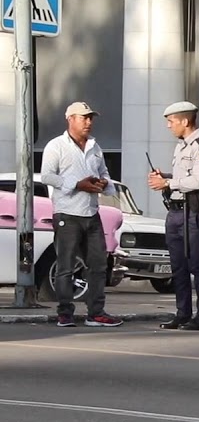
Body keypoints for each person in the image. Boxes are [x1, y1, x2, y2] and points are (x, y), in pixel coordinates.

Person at [38, 101, 123, 328]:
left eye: (90, 118)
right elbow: (47, 175)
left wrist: (104, 184)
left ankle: (96, 312)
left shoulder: (95, 146)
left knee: (98, 264)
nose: (88, 122)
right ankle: (65, 312)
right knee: (66, 265)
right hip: (67, 213)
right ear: (70, 119)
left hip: (92, 213)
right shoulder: (56, 145)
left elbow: (103, 171)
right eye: (83, 117)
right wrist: (77, 184)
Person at [148, 100, 199, 331]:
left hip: (192, 213)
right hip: (175, 212)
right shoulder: (181, 146)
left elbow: (197, 180)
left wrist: (167, 181)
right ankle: (183, 313)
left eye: (171, 121)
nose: (169, 126)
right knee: (178, 266)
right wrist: (164, 176)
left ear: (185, 121)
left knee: (197, 265)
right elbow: (182, 177)